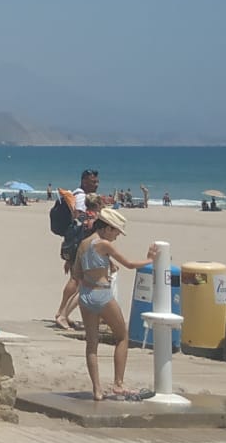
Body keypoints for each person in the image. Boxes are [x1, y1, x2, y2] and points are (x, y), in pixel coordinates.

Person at [76, 208, 151, 401]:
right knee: (122, 336)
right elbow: (130, 264)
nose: (117, 236)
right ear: (108, 228)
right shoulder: (104, 244)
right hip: (101, 294)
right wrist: (151, 259)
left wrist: (105, 265)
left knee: (91, 344)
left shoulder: (84, 243)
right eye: (116, 231)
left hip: (84, 295)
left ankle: (97, 390)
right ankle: (118, 383)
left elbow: (77, 273)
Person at [51, 169, 100, 328]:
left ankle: (63, 313)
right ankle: (62, 313)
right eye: (93, 182)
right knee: (79, 281)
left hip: (77, 244)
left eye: (97, 181)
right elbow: (79, 223)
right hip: (81, 244)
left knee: (77, 280)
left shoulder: (77, 195)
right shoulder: (80, 198)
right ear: (84, 181)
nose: (96, 184)